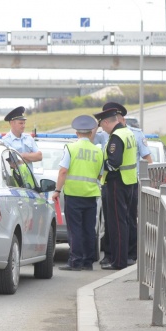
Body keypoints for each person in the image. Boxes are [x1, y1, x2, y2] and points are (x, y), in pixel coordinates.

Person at [94, 101, 149, 266]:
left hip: (117, 182)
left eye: (102, 126)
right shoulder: (128, 132)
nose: (102, 129)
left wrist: (100, 168)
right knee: (124, 222)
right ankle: (123, 257)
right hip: (129, 181)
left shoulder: (116, 137)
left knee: (117, 224)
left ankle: (118, 261)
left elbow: (114, 162)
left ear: (106, 122)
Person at [52, 114, 103, 270]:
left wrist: (57, 190)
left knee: (75, 229)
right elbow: (100, 174)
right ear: (90, 133)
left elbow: (63, 171)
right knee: (89, 229)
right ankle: (88, 262)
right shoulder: (98, 151)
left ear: (77, 133)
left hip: (74, 194)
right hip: (91, 195)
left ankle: (76, 261)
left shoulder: (71, 148)